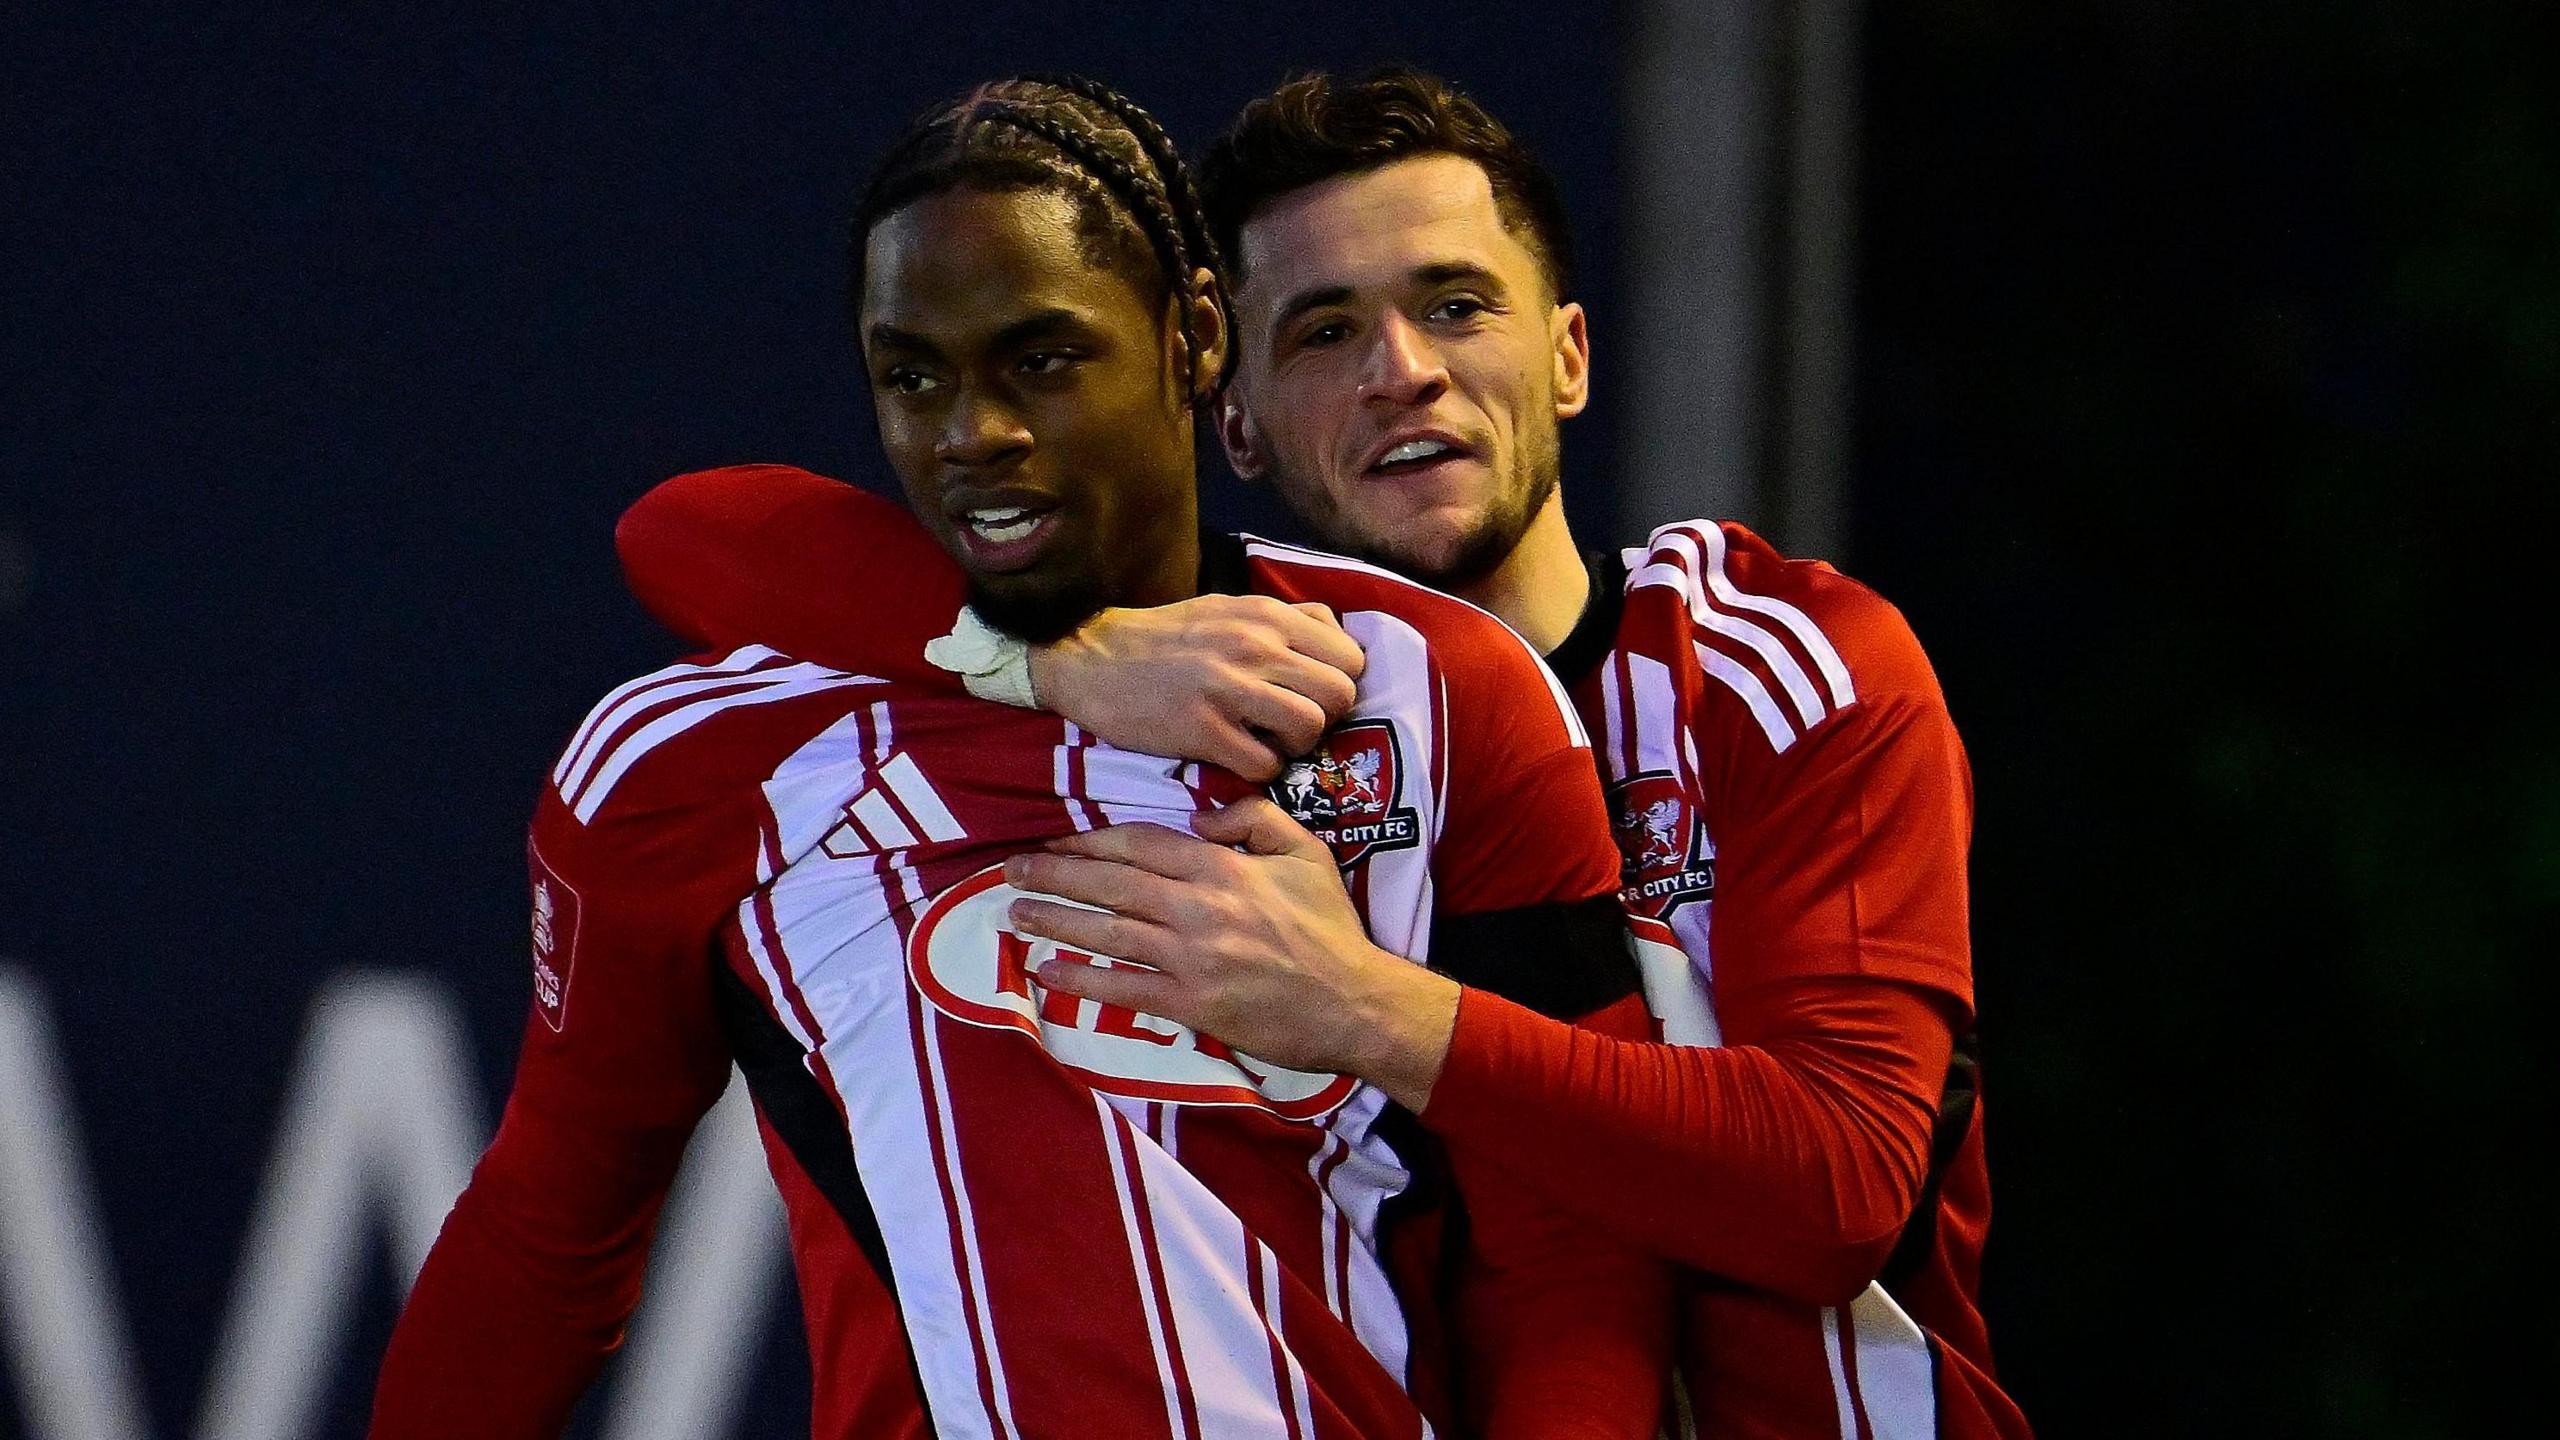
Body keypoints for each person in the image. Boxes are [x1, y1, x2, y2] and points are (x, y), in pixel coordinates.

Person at [622, 68, 2032, 1439]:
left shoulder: (1762, 665)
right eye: (1323, 333)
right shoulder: (1160, 722)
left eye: (1456, 306)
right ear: (1223, 405)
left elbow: (1836, 1181)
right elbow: (683, 530)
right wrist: (1040, 653)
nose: (1403, 374)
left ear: (1571, 356)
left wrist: (1365, 1008)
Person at [370, 76, 1673, 1440]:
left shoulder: (1439, 696)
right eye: (911, 376)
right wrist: (1044, 658)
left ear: (1195, 339)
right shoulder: (691, 762)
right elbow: (545, 1241)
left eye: (1041, 360)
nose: (969, 434)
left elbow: (1571, 1247)